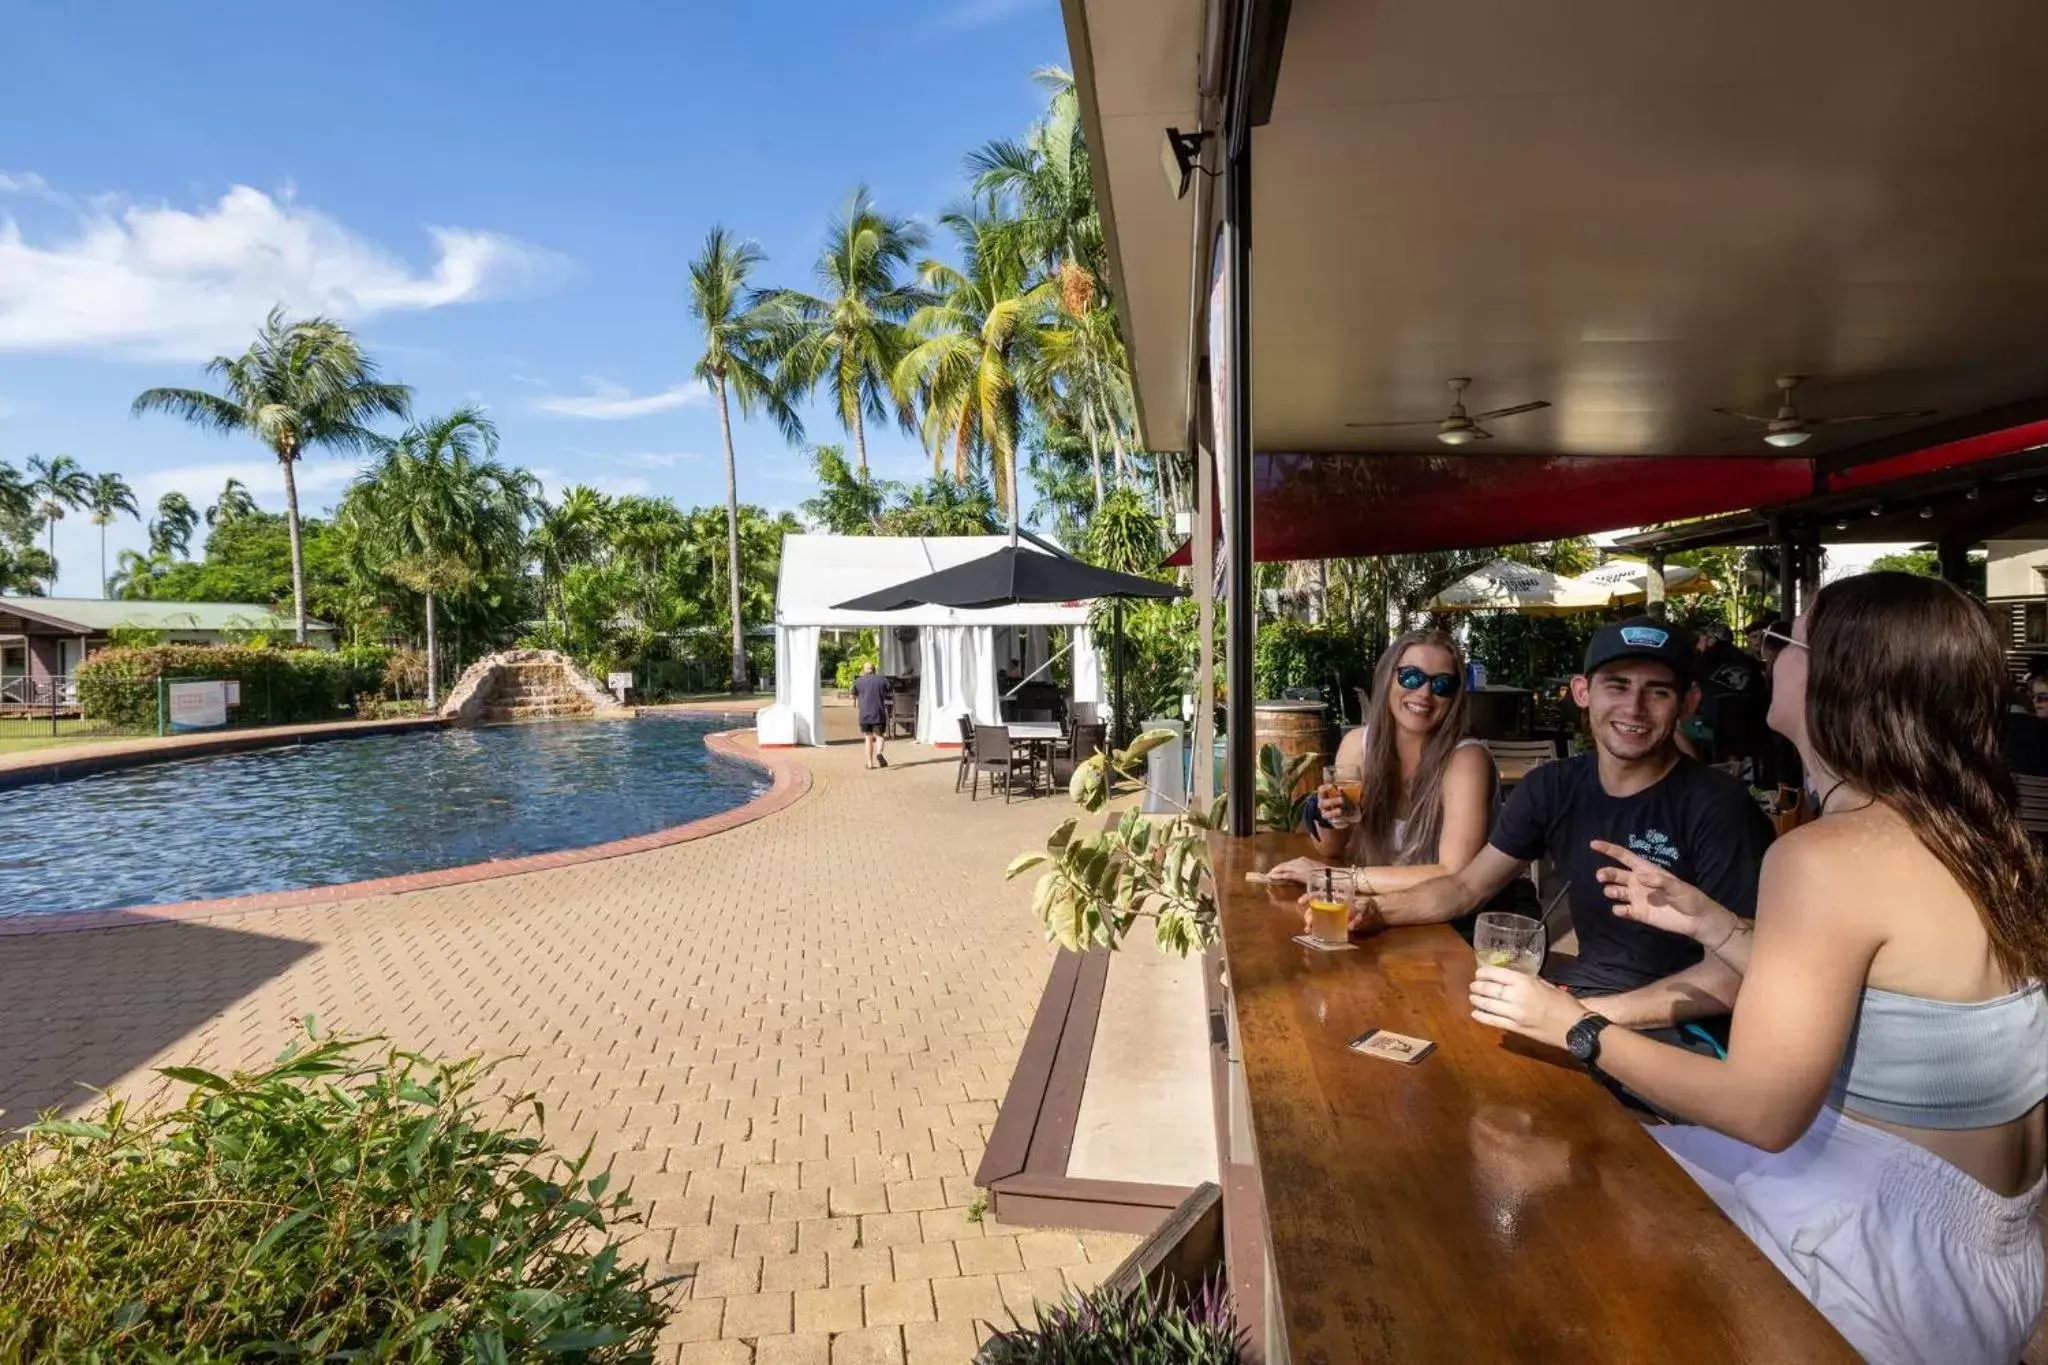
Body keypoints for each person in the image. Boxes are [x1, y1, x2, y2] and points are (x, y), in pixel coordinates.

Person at [1469, 573, 2048, 1365]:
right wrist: (1720, 924)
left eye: (1789, 641)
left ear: (1840, 680)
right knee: (1624, 1168)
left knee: (1565, 1225)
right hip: (1993, 1251)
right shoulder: (1984, 838)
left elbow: (1761, 1109)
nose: (1768, 654)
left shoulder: (1824, 856)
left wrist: (1572, 1025)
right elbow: (1892, 1007)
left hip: (1880, 1267)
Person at [1330, 617, 1776, 1051]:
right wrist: (1376, 911)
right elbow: (1465, 887)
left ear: (1688, 703)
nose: (1634, 708)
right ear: (1582, 692)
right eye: (1617, 685)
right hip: (1577, 995)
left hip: (1678, 1027)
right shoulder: (1553, 786)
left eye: (1657, 692)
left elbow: (1734, 974)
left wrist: (1585, 1016)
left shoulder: (1721, 807)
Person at [1269, 630, 1497, 894]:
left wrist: (1336, 878)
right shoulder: (1358, 746)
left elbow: (1454, 874)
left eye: (1442, 684)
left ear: (1454, 698)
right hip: (1374, 910)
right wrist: (1331, 817)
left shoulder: (1466, 761)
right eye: (1411, 677)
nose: (1424, 693)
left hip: (1448, 922)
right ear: (1388, 678)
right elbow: (1332, 848)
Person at [852, 662, 889, 769]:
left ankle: (870, 763)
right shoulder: (882, 679)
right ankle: (879, 753)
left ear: (864, 670)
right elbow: (889, 689)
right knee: (879, 736)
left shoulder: (858, 681)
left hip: (864, 713)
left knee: (868, 737)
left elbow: (853, 694)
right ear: (874, 670)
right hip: (878, 712)